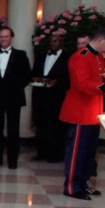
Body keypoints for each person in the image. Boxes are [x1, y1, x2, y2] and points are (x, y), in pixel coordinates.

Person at [59, 24, 105, 200]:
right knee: (77, 152)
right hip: (80, 113)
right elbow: (82, 85)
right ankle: (71, 187)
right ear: (101, 40)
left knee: (90, 152)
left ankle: (83, 183)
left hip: (93, 112)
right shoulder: (79, 57)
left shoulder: (99, 57)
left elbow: (96, 78)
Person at [0, 27, 32, 169]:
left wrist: (14, 88)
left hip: (14, 98)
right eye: (1, 37)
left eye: (6, 36)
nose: (3, 39)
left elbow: (26, 76)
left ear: (11, 38)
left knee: (13, 130)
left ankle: (12, 161)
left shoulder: (21, 55)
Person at [31, 32, 70, 163]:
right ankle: (41, 152)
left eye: (56, 41)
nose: (53, 43)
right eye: (51, 41)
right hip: (40, 95)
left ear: (61, 43)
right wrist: (35, 78)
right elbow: (35, 72)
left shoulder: (67, 58)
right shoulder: (41, 55)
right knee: (40, 123)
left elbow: (68, 77)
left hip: (56, 96)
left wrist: (57, 81)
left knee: (56, 126)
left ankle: (56, 155)